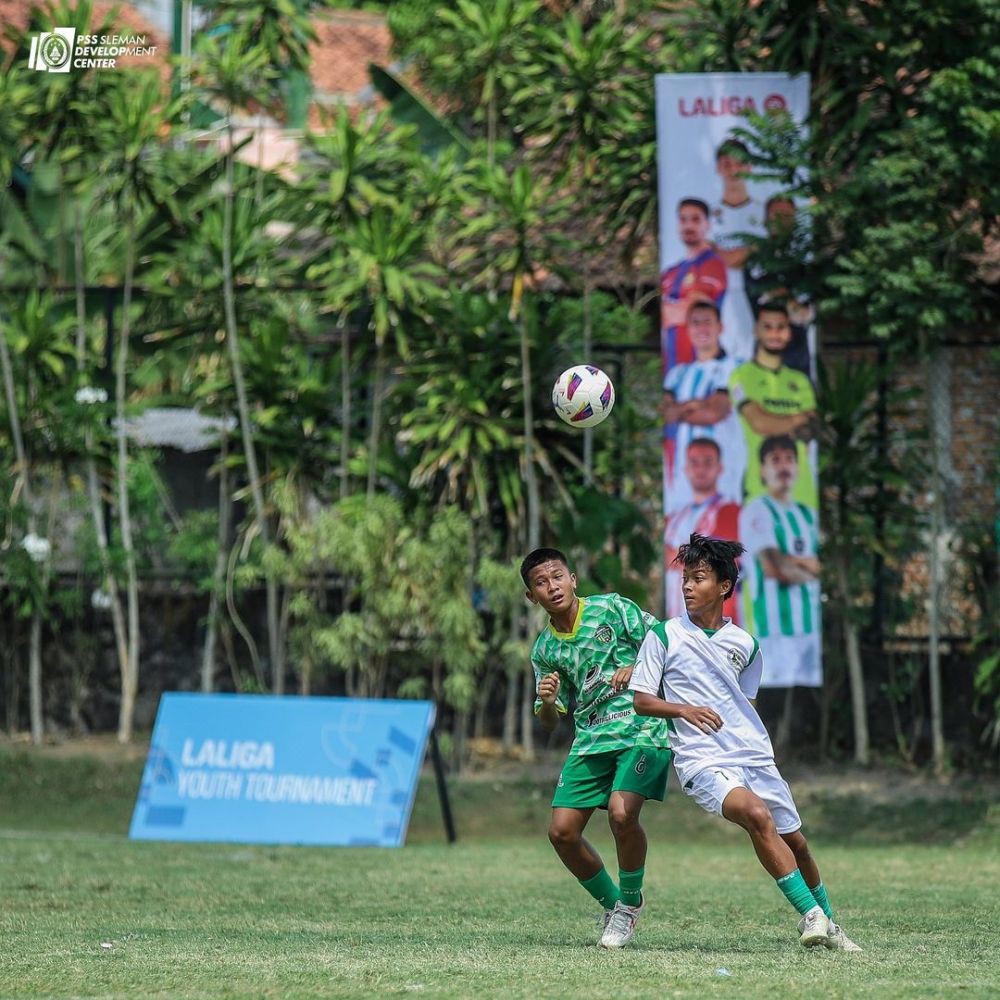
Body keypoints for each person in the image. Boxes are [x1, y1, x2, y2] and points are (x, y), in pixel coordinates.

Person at [628, 534, 860, 951]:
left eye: (698, 578)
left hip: (753, 755)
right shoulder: (663, 636)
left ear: (723, 587)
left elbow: (744, 703)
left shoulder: (747, 645)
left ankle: (830, 924)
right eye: (685, 579)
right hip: (700, 759)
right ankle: (810, 916)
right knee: (754, 814)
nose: (687, 587)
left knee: (797, 843)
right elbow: (643, 700)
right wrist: (684, 710)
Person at [522, 547, 672, 949]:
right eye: (540, 582)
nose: (551, 586)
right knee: (562, 833)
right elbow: (549, 720)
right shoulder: (545, 650)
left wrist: (639, 666)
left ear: (573, 578)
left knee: (622, 815)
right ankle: (614, 905)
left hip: (641, 727)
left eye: (557, 576)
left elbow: (665, 639)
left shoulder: (612, 608)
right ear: (531, 596)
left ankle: (629, 902)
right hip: (591, 740)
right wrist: (549, 702)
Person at [739, 436, 821, 686]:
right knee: (768, 706)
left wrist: (795, 564)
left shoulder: (807, 514)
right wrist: (808, 566)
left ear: (797, 466)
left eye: (789, 459)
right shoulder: (756, 509)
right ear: (763, 469)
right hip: (772, 633)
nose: (784, 466)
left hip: (808, 632)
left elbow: (820, 566)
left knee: (804, 705)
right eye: (775, 460)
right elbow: (775, 568)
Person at [729, 301, 818, 507]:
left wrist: (776, 421)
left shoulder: (801, 381)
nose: (774, 334)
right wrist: (797, 419)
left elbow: (810, 430)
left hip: (803, 495)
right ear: (755, 331)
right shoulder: (741, 376)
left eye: (781, 327)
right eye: (767, 327)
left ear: (789, 332)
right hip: (758, 493)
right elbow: (759, 424)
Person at [662, 300, 745, 510]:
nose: (702, 328)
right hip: (685, 469)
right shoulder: (677, 374)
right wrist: (697, 404)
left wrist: (681, 409)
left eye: (707, 322)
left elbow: (715, 412)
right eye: (696, 323)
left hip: (725, 468)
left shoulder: (734, 367)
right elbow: (665, 412)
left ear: (720, 326)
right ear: (688, 329)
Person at [664, 438, 742, 624]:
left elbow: (715, 558)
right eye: (694, 462)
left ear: (720, 468)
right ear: (685, 469)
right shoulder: (675, 516)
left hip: (714, 622)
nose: (701, 469)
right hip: (679, 619)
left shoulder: (729, 510)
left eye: (708, 462)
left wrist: (674, 555)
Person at [743, 194, 814, 377]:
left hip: (796, 356)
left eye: (786, 215)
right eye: (776, 215)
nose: (781, 221)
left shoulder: (805, 262)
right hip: (765, 357)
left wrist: (784, 297)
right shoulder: (756, 261)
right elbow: (758, 298)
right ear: (766, 220)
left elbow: (803, 315)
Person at [712, 138, 766, 362]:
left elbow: (757, 253)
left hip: (755, 295)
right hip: (718, 296)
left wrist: (723, 254)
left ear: (749, 167)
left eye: (740, 163)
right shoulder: (708, 215)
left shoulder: (763, 213)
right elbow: (707, 255)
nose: (733, 170)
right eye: (726, 164)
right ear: (718, 168)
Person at [660, 198, 727, 370]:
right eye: (683, 219)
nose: (688, 225)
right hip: (672, 367)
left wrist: (672, 309)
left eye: (696, 219)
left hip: (702, 367)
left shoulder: (712, 264)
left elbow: (693, 311)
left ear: (708, 224)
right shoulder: (670, 272)